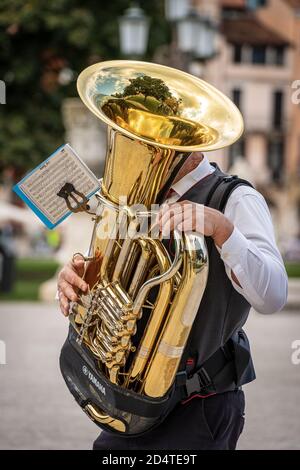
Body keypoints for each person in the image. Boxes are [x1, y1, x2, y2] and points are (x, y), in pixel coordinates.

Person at [57, 152, 288, 450]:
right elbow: (115, 283)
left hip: (198, 405)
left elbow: (274, 296)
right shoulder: (141, 195)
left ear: (197, 145)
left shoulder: (237, 197)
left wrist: (222, 229)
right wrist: (78, 281)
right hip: (128, 399)